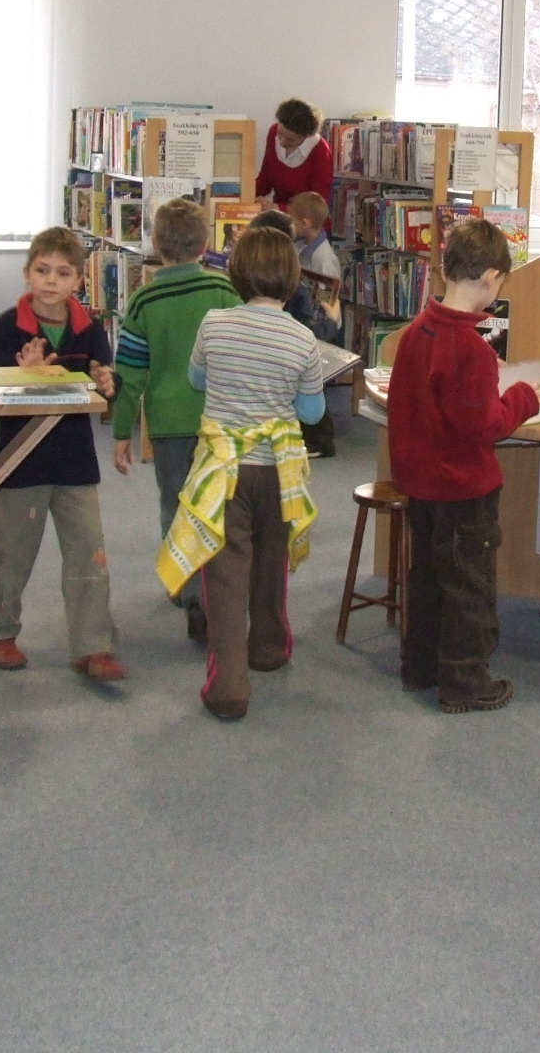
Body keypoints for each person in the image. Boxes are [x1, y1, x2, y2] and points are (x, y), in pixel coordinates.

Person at [159, 226, 325, 721]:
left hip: (223, 471)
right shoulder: (303, 338)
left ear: (235, 274)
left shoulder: (214, 324)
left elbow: (196, 378)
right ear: (293, 278)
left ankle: (229, 685)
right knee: (272, 562)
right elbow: (313, 412)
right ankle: (269, 646)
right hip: (278, 473)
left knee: (225, 575)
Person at [386, 216, 540, 713]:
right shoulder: (470, 349)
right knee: (470, 590)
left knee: (428, 580)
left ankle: (420, 666)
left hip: (422, 486)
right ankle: (465, 682)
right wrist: (523, 397)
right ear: (491, 279)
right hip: (465, 491)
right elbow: (485, 426)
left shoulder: (417, 332)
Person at [0, 226, 124, 681]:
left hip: (76, 460)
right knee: (9, 553)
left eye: (62, 273)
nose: (51, 281)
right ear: (27, 273)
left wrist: (108, 383)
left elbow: (103, 382)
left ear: (79, 280)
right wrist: (24, 376)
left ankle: (93, 645)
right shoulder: (6, 327)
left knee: (89, 553)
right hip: (21, 461)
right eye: (42, 270)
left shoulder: (90, 328)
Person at [111, 197, 241, 645]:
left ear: (155, 244)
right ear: (206, 244)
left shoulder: (144, 299)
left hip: (167, 424)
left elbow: (129, 373)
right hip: (219, 419)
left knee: (176, 502)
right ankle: (216, 590)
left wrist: (121, 431)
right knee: (218, 503)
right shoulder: (224, 290)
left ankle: (186, 586)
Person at [249, 210, 341, 455]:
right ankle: (317, 441)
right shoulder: (294, 288)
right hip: (287, 374)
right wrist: (331, 322)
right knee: (308, 374)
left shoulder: (246, 284)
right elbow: (307, 335)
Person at [254, 97, 333, 212]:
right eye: (280, 133)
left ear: (306, 137)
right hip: (279, 215)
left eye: (291, 140)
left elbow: (318, 207)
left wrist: (277, 207)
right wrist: (239, 193)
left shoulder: (321, 152)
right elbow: (265, 180)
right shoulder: (273, 132)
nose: (282, 142)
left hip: (306, 220)